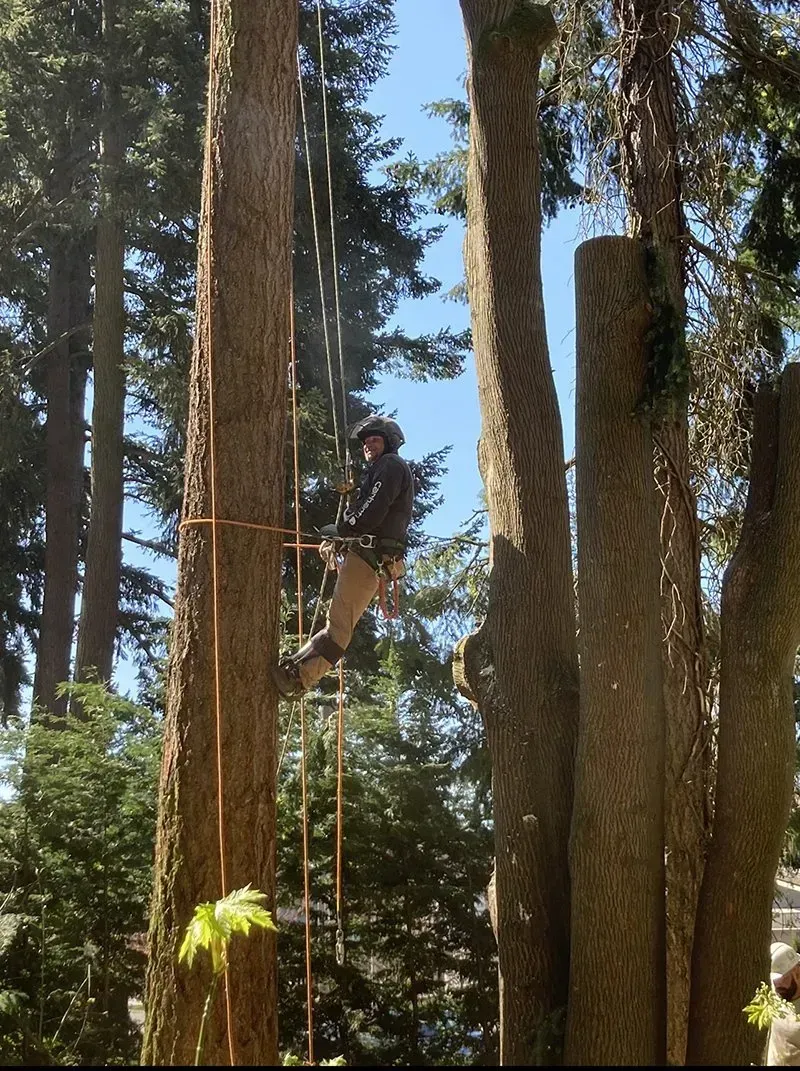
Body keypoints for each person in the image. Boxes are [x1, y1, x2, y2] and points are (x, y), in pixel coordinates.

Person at [272, 414, 414, 698]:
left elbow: (372, 510)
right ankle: (295, 668)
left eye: (374, 440)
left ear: (390, 443)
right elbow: (366, 512)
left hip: (370, 557)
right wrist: (342, 536)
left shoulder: (390, 465)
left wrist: (342, 529)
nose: (368, 446)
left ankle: (299, 678)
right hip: (369, 555)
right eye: (365, 442)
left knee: (338, 627)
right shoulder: (382, 470)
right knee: (336, 622)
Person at [767, 942, 800, 1065]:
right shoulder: (774, 992)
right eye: (774, 980)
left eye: (781, 979)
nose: (777, 985)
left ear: (796, 972)